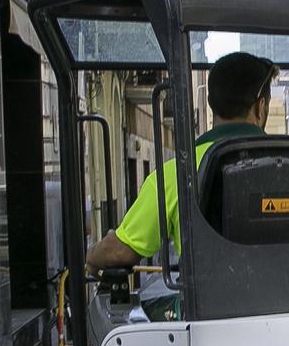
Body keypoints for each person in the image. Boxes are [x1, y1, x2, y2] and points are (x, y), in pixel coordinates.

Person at [87, 51, 277, 277]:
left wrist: (91, 257)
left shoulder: (175, 173)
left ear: (211, 103)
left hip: (209, 309)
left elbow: (120, 251)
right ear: (261, 107)